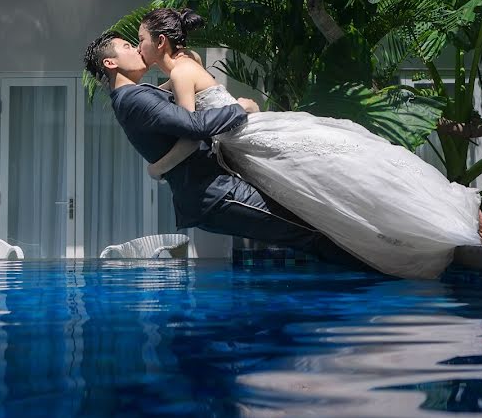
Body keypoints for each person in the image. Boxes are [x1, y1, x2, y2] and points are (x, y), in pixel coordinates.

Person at [136, 7, 482, 279]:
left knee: (338, 178)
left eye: (141, 40)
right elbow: (161, 96)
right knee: (340, 178)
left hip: (249, 143)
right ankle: (431, 218)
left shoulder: (181, 72)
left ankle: (442, 217)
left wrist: (157, 168)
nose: (139, 48)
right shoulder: (188, 61)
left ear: (161, 41)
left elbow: (191, 130)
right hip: (246, 141)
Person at [83, 30, 373, 269]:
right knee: (309, 231)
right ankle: (374, 281)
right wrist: (240, 109)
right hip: (216, 194)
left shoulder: (135, 95)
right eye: (127, 46)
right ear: (111, 63)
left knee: (309, 228)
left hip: (215, 189)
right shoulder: (132, 98)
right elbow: (193, 126)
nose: (136, 48)